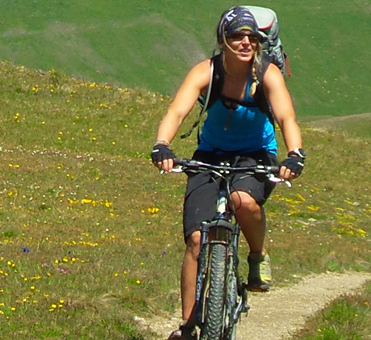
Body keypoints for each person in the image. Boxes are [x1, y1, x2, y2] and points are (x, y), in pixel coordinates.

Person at [148, 6, 305, 340]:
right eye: (237, 36)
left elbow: (287, 118)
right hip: (210, 155)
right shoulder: (207, 71)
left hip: (255, 156)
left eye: (252, 36)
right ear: (223, 40)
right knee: (194, 240)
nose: (245, 42)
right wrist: (162, 144)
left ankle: (257, 256)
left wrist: (295, 155)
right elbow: (177, 110)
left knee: (243, 200)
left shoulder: (268, 74)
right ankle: (188, 326)